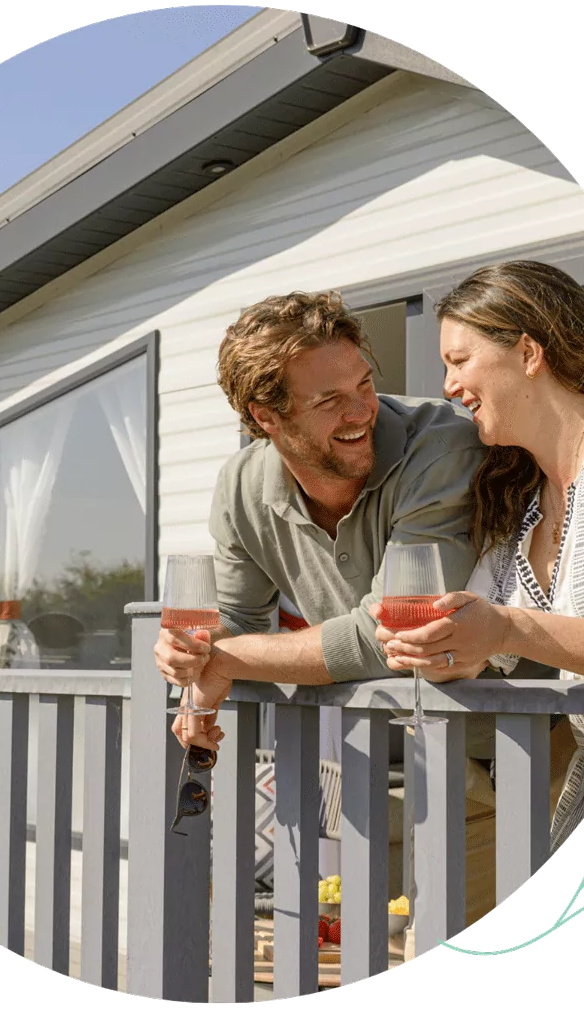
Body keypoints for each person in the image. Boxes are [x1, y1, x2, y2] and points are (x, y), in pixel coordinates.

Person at [372, 260, 584, 848]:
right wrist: (442, 648)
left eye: (459, 361)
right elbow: (483, 641)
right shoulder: (521, 496)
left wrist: (504, 629)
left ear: (527, 352)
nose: (447, 387)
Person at [154, 290, 485, 734]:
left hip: (521, 734)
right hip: (388, 742)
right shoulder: (241, 485)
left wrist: (225, 660)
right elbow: (236, 618)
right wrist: (192, 648)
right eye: (329, 400)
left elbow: (391, 634)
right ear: (267, 416)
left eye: (365, 384)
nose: (360, 411)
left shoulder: (442, 447)